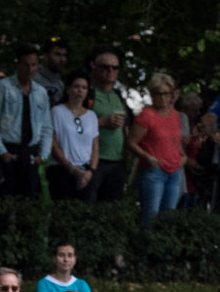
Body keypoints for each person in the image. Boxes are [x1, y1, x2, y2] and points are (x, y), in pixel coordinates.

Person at [0, 44, 52, 199]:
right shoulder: (3, 87)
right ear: (18, 65)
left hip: (30, 152)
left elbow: (47, 126)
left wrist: (43, 155)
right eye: (25, 65)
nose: (30, 70)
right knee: (4, 199)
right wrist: (2, 152)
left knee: (29, 201)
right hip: (8, 149)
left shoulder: (41, 92)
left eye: (34, 65)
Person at [132, 72, 185, 219]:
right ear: (152, 94)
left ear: (171, 94)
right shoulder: (147, 115)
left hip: (175, 170)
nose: (162, 98)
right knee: (150, 216)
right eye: (158, 94)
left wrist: (183, 156)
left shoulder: (174, 114)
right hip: (154, 171)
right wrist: (146, 157)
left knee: (169, 217)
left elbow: (174, 140)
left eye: (166, 93)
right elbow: (131, 142)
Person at [88, 51, 133, 202]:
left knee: (111, 207)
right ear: (95, 67)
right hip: (94, 160)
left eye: (115, 68)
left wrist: (127, 152)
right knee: (89, 204)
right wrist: (102, 122)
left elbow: (126, 125)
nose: (111, 71)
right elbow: (75, 123)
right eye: (106, 67)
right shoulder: (88, 93)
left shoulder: (119, 95)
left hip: (117, 161)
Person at [48, 75, 100, 201]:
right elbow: (52, 143)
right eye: (76, 86)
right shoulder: (56, 112)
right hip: (61, 170)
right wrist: (71, 168)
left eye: (84, 87)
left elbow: (95, 148)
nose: (80, 90)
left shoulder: (92, 116)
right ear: (68, 89)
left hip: (85, 172)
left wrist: (91, 171)